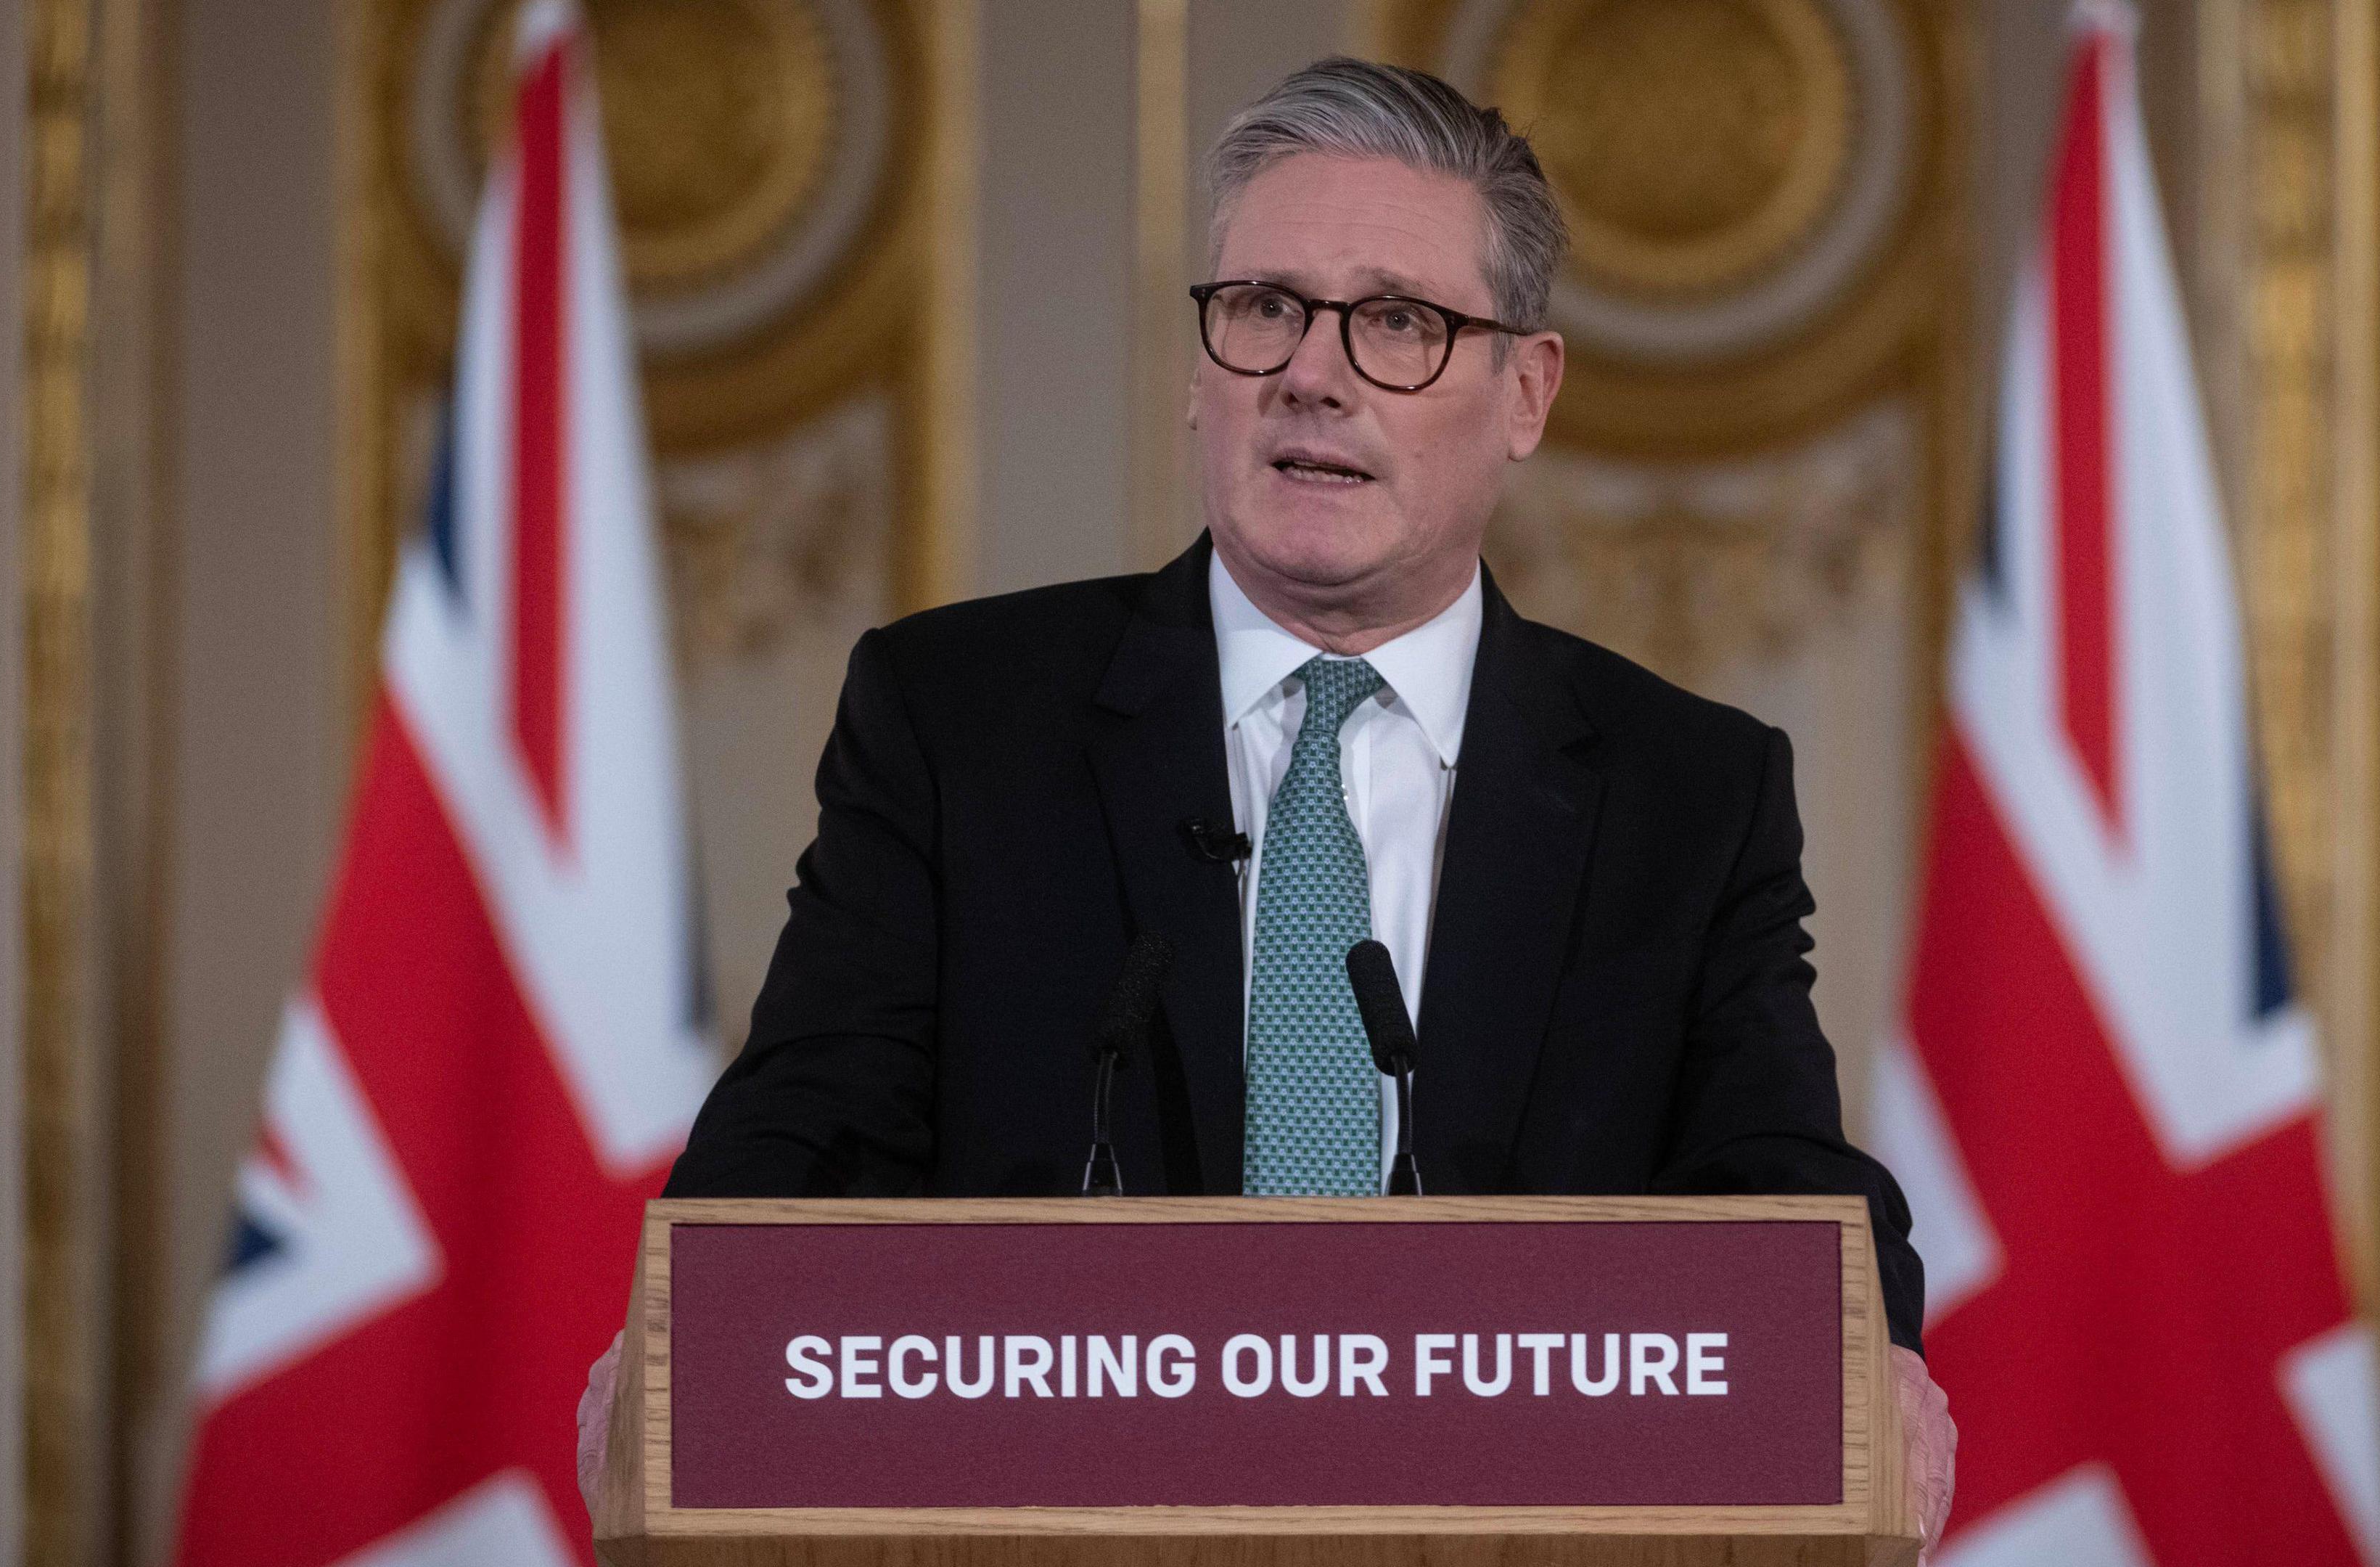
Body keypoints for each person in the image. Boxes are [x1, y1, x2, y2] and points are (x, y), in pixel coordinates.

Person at [581, 57, 1953, 1544]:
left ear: (1526, 394)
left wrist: (1867, 1351)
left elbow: (1783, 1185)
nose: (1313, 371)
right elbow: (798, 1147)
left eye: (1400, 324)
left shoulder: (1686, 793)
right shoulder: (960, 720)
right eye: (1263, 309)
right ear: (1200, 372)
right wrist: (688, 1336)